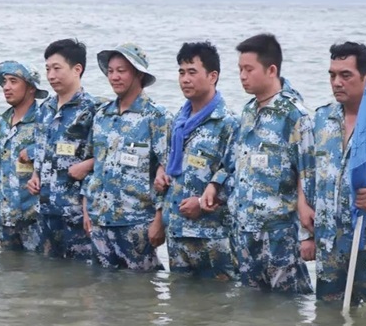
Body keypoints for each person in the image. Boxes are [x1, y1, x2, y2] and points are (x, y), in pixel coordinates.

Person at [202, 33, 314, 293]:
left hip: (279, 235)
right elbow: (233, 161)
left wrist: (308, 236)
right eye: (240, 69)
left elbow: (308, 174)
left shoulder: (294, 115)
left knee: (288, 306)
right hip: (244, 232)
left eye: (249, 69)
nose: (242, 76)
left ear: (271, 70)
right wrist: (214, 186)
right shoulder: (248, 111)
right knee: (251, 308)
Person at [311, 41, 366, 309]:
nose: (337, 82)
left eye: (346, 75)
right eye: (332, 75)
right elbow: (308, 173)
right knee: (329, 320)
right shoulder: (321, 120)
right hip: (330, 246)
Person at [154, 42, 238, 280]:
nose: (185, 79)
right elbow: (168, 165)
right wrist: (161, 176)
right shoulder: (178, 122)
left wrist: (202, 202)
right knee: (179, 300)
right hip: (177, 234)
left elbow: (237, 177)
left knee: (217, 301)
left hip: (212, 238)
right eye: (181, 72)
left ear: (213, 76)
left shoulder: (228, 123)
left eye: (192, 72)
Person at [82, 43, 167, 271]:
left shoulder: (156, 116)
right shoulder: (102, 115)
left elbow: (166, 171)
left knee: (139, 290)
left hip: (136, 224)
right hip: (100, 220)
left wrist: (159, 221)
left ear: (138, 74)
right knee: (101, 287)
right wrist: (87, 208)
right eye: (110, 71)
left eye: (121, 71)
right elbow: (94, 165)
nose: (114, 77)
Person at [27, 38, 98, 261]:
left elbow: (104, 156)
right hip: (45, 210)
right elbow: (42, 149)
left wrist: (87, 166)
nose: (51, 75)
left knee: (79, 275)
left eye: (57, 68)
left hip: (75, 212)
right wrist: (35, 175)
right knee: (48, 274)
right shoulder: (45, 109)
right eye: (48, 69)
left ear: (77, 69)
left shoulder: (92, 110)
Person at [0, 61, 48, 251]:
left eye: (13, 81)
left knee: (37, 267)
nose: (6, 87)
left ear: (31, 87)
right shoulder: (1, 121)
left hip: (34, 217)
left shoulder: (43, 120)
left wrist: (33, 152)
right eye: (5, 82)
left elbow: (59, 150)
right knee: (8, 266)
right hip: (5, 216)